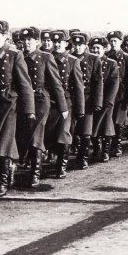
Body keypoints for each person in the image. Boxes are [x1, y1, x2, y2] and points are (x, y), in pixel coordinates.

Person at [0, 20, 35, 196]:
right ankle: (9, 168)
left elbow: (25, 84)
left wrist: (29, 111)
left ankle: (2, 181)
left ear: (5, 37)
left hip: (10, 104)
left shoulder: (15, 55)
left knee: (4, 143)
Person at [16, 26, 67, 187]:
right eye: (23, 40)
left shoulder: (45, 58)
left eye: (30, 40)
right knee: (23, 135)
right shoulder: (18, 57)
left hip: (40, 101)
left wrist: (63, 107)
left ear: (37, 41)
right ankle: (26, 165)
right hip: (22, 102)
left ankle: (35, 174)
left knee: (36, 135)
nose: (26, 43)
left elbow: (56, 83)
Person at [47, 30, 84, 178]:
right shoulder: (46, 57)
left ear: (66, 43)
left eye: (59, 42)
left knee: (63, 134)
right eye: (54, 42)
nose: (56, 44)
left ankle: (61, 165)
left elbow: (78, 86)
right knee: (49, 134)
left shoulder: (73, 61)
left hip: (66, 103)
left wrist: (80, 110)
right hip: (49, 102)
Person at [70, 32, 103, 169]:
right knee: (72, 129)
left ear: (85, 46)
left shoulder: (94, 59)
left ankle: (84, 157)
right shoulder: (69, 58)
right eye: (75, 45)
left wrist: (97, 102)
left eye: (81, 45)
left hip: (87, 98)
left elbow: (98, 82)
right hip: (72, 97)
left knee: (86, 130)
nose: (78, 47)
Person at [106, 31, 128, 155]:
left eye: (115, 41)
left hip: (121, 95)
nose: (113, 43)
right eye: (111, 41)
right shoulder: (106, 56)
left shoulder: (126, 58)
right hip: (108, 94)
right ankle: (108, 146)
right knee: (109, 120)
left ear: (120, 41)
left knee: (119, 121)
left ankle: (117, 145)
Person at [89, 37, 119, 162]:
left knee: (106, 125)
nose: (96, 50)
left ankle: (105, 151)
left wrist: (108, 101)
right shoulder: (88, 61)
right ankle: (96, 148)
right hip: (93, 99)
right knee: (93, 125)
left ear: (105, 49)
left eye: (98, 48)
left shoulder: (111, 63)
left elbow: (114, 83)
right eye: (94, 48)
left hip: (106, 100)